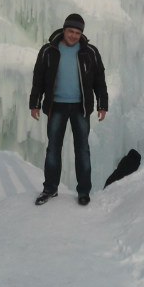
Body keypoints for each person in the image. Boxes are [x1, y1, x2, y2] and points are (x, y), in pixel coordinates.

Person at [29, 12, 108, 206]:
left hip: (81, 107)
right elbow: (38, 78)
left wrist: (102, 104)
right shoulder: (49, 51)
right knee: (53, 148)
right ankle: (50, 188)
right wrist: (35, 103)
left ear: (82, 34)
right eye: (70, 31)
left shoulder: (90, 52)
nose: (73, 35)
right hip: (56, 106)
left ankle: (83, 191)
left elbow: (99, 79)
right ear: (64, 30)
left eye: (77, 32)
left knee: (82, 150)